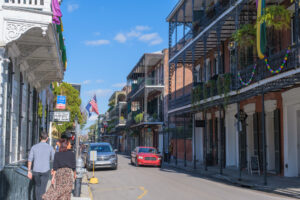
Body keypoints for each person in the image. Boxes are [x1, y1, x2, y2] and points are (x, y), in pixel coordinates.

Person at [27, 132, 55, 200]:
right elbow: (54, 160)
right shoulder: (50, 148)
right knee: (43, 189)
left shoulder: (34, 147)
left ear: (40, 138)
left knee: (37, 187)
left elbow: (30, 160)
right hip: (45, 171)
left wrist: (29, 171)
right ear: (47, 139)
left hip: (36, 170)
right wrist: (53, 169)